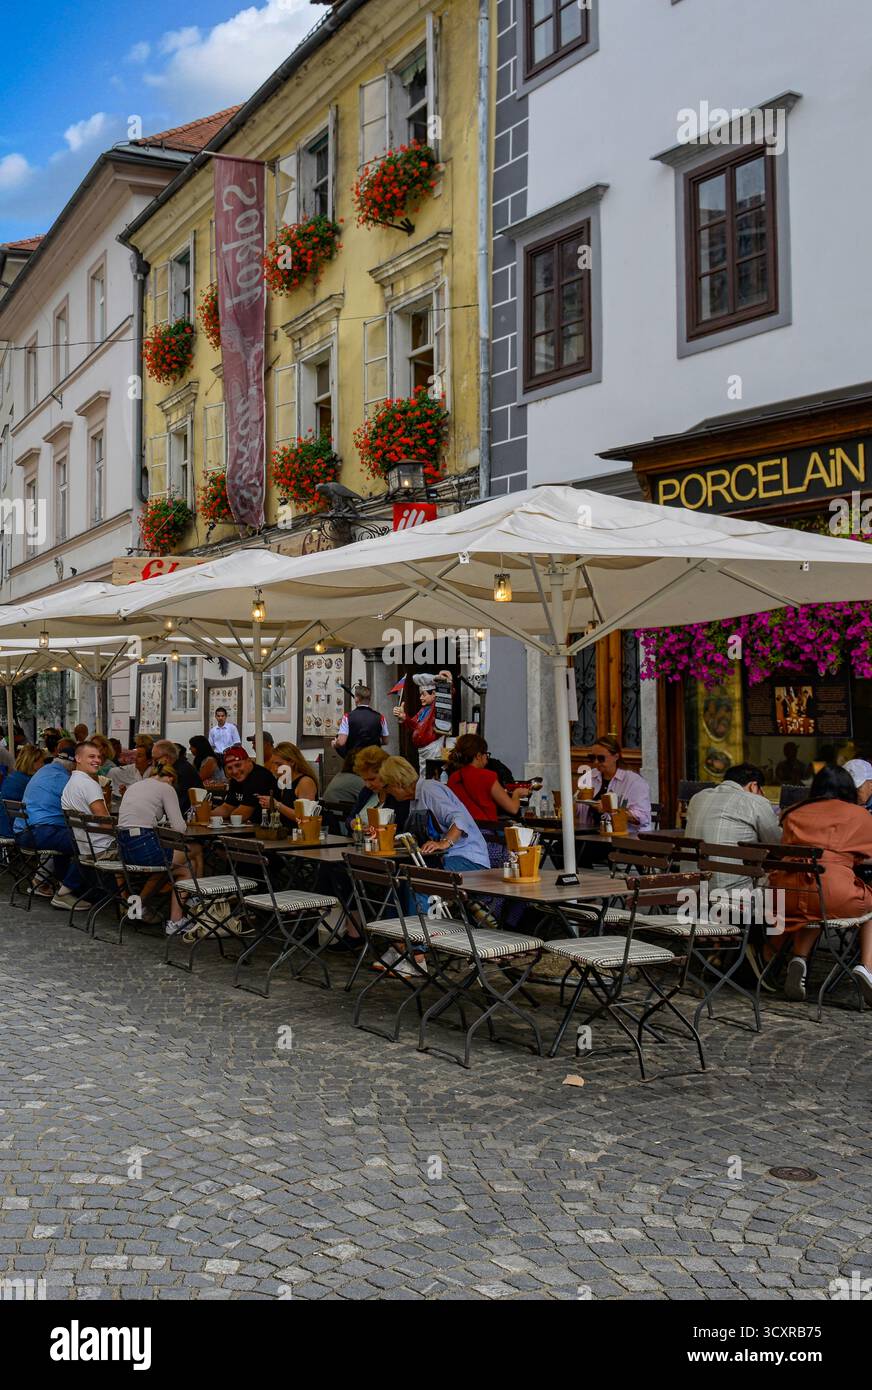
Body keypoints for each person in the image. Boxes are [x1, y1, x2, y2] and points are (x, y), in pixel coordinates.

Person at [769, 766, 872, 1004]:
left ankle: (799, 958)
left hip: (785, 894)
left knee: (813, 902)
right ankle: (867, 967)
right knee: (859, 902)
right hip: (830, 891)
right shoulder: (857, 815)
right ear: (849, 788)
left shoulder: (793, 812)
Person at [117, 764, 201, 934]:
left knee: (183, 869)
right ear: (171, 779)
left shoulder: (136, 785)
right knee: (196, 849)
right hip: (144, 847)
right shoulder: (165, 788)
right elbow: (179, 828)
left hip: (125, 849)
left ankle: (163, 915)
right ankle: (195, 899)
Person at [378, 755, 490, 870]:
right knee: (405, 872)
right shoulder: (414, 798)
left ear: (398, 783)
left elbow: (460, 819)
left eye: (386, 787)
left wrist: (444, 842)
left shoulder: (429, 789)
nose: (386, 791)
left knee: (419, 877)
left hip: (467, 858)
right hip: (444, 857)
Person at [685, 764, 782, 892]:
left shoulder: (698, 797)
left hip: (691, 887)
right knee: (781, 882)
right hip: (732, 890)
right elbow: (777, 844)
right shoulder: (755, 801)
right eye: (761, 790)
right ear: (754, 786)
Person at [18, 753, 88, 909]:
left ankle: (60, 883)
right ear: (72, 767)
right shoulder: (63, 778)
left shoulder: (43, 771)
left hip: (25, 831)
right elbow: (82, 806)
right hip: (39, 832)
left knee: (68, 841)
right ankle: (65, 893)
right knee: (87, 843)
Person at [577, 734, 653, 832]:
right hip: (591, 834)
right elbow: (578, 812)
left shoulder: (634, 782)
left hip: (624, 838)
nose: (595, 762)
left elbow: (643, 818)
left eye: (601, 758)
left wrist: (611, 810)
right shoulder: (588, 777)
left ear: (616, 757)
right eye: (592, 758)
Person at [446, 734, 524, 824]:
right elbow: (513, 808)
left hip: (460, 830)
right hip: (486, 831)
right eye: (486, 754)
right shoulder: (487, 776)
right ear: (478, 756)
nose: (487, 758)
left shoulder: (453, 778)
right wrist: (517, 793)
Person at [60, 741, 115, 860]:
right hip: (104, 849)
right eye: (91, 756)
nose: (97, 760)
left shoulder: (70, 784)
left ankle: (116, 878)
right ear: (78, 758)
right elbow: (106, 823)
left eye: (99, 757)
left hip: (85, 849)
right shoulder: (89, 784)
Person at [393, 671, 454, 771]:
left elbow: (448, 694)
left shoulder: (438, 707)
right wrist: (404, 717)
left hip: (433, 748)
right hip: (423, 750)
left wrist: (447, 683)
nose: (421, 698)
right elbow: (414, 725)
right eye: (420, 694)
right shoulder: (423, 710)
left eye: (423, 694)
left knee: (432, 774)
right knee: (424, 774)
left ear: (434, 694)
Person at [212, 745, 277, 825]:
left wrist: (217, 820)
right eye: (229, 768)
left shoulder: (259, 777)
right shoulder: (236, 779)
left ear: (249, 761)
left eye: (238, 765)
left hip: (266, 829)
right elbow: (227, 808)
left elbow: (243, 814)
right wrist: (205, 815)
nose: (234, 771)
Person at [255, 743, 318, 825]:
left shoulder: (305, 782)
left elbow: (304, 817)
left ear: (292, 762)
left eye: (279, 764)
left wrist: (277, 805)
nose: (275, 768)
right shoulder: (283, 781)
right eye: (273, 764)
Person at [0, 744, 45, 838]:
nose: (44, 766)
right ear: (33, 763)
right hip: (18, 831)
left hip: (4, 827)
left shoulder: (11, 778)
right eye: (42, 762)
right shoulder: (32, 783)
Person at [332, 685, 389, 757]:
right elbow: (386, 741)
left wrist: (335, 744)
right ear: (369, 699)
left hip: (355, 760)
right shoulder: (381, 717)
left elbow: (341, 742)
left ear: (356, 699)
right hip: (374, 760)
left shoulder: (347, 717)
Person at [151, 739, 202, 816]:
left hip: (188, 816)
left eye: (156, 760)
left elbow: (177, 803)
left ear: (166, 758)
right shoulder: (178, 767)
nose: (153, 763)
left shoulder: (181, 772)